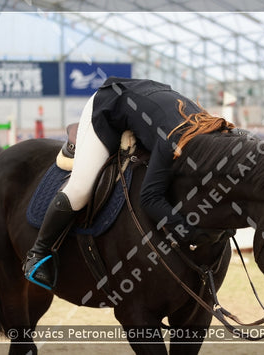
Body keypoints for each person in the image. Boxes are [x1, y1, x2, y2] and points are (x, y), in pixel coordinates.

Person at [23, 77, 235, 290]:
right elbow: (150, 198)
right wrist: (189, 232)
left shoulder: (219, 136)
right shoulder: (172, 140)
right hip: (109, 104)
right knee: (80, 189)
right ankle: (39, 252)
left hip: (152, 99)